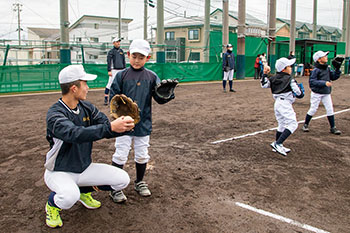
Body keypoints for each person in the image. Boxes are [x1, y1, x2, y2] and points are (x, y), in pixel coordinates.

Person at [44, 65, 135, 228]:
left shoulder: (86, 107)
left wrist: (125, 124)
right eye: (85, 83)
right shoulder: (55, 115)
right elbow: (75, 134)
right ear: (73, 88)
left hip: (84, 168)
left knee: (122, 180)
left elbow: (105, 126)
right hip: (59, 171)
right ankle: (52, 205)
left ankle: (84, 192)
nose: (88, 87)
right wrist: (110, 128)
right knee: (68, 197)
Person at [108, 39, 175, 203]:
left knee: (142, 154)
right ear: (128, 55)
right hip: (123, 124)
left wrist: (167, 94)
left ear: (148, 58)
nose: (137, 60)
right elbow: (113, 98)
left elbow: (159, 99)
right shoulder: (121, 75)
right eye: (134, 56)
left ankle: (139, 181)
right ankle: (115, 188)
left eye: (141, 57)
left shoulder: (151, 76)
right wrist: (119, 116)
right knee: (121, 153)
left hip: (143, 123)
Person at [261, 57, 304, 156]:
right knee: (293, 124)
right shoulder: (290, 79)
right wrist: (300, 93)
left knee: (282, 124)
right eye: (289, 66)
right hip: (285, 104)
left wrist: (264, 74)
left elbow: (264, 84)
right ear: (284, 69)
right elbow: (299, 93)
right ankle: (278, 143)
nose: (291, 68)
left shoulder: (273, 78)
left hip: (277, 103)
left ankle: (277, 145)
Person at [302, 51, 342, 135]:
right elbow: (312, 82)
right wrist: (324, 83)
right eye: (324, 56)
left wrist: (338, 69)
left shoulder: (327, 68)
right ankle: (305, 124)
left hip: (326, 92)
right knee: (313, 109)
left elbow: (333, 77)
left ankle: (333, 127)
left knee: (330, 109)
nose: (326, 57)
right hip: (317, 93)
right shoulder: (316, 70)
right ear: (319, 59)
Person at [104, 37, 126, 105]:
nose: (118, 43)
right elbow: (109, 61)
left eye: (119, 42)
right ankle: (106, 99)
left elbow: (123, 61)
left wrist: (124, 69)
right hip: (114, 70)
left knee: (122, 84)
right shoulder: (111, 52)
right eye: (117, 42)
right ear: (113, 43)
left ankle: (122, 99)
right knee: (110, 84)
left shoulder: (121, 51)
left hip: (121, 69)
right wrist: (109, 70)